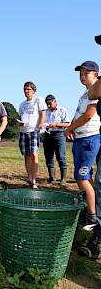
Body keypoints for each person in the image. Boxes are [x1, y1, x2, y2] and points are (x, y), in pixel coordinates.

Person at [65, 61, 100, 229]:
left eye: (86, 73)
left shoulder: (96, 92)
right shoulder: (84, 95)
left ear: (96, 75)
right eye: (80, 74)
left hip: (89, 139)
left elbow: (88, 115)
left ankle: (92, 217)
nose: (82, 76)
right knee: (86, 177)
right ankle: (91, 208)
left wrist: (70, 128)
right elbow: (78, 114)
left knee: (81, 177)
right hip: (81, 139)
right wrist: (71, 128)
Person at [80, 35, 101, 258]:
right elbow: (94, 93)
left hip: (91, 137)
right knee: (100, 186)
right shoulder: (94, 87)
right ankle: (97, 237)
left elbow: (94, 95)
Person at [18, 81, 46, 189]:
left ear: (33, 90)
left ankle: (34, 180)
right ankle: (29, 178)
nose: (26, 91)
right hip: (23, 131)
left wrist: (40, 125)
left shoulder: (38, 100)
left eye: (28, 89)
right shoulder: (22, 104)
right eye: (25, 89)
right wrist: (19, 123)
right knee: (26, 155)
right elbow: (21, 117)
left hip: (34, 130)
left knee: (34, 154)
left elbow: (42, 114)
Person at [43, 94, 70, 185]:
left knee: (61, 156)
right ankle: (52, 178)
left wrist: (57, 124)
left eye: (50, 103)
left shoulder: (63, 110)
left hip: (59, 134)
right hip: (47, 135)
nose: (49, 105)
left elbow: (67, 124)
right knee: (49, 157)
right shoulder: (45, 112)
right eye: (47, 104)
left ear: (55, 102)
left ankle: (63, 179)